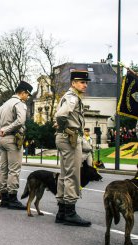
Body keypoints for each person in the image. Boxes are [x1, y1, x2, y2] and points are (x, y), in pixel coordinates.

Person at [54, 70, 91, 227]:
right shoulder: (72, 97)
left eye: (86, 82)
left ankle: (62, 212)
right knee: (73, 175)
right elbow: (61, 115)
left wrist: (61, 128)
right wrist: (65, 128)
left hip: (65, 138)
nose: (85, 85)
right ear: (73, 83)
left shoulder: (68, 96)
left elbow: (61, 116)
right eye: (82, 82)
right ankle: (70, 212)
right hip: (70, 139)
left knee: (64, 174)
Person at [0, 81, 33, 209]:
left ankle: (4, 197)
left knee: (3, 169)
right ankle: (12, 198)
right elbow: (20, 121)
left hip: (2, 139)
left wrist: (2, 130)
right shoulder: (19, 104)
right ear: (22, 93)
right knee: (14, 169)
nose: (28, 97)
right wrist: (7, 129)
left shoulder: (4, 104)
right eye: (27, 95)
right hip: (13, 138)